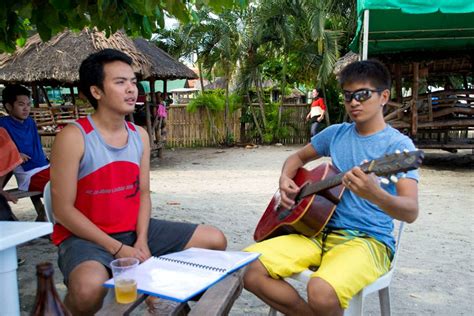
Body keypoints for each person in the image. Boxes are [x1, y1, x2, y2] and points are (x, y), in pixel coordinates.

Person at [50, 48, 227, 315]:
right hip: (84, 238)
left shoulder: (139, 135)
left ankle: (160, 290)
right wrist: (118, 248)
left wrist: (142, 240)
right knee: (88, 289)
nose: (132, 89)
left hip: (133, 230)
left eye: (133, 81)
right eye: (120, 82)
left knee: (215, 239)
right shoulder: (74, 137)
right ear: (96, 92)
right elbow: (63, 210)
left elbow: (143, 193)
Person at [243, 60, 420, 315]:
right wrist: (285, 179)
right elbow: (296, 159)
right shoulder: (336, 134)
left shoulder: (398, 147)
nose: (354, 102)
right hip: (315, 232)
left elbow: (410, 211)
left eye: (362, 95)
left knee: (321, 290)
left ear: (384, 97)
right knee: (247, 267)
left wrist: (376, 194)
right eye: (348, 96)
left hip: (367, 241)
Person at [0, 85, 50, 193]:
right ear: (9, 106)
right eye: (21, 104)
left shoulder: (30, 121)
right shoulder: (3, 124)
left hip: (46, 167)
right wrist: (14, 154)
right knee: (67, 186)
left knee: (83, 176)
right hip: (29, 175)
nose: (26, 108)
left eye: (28, 104)